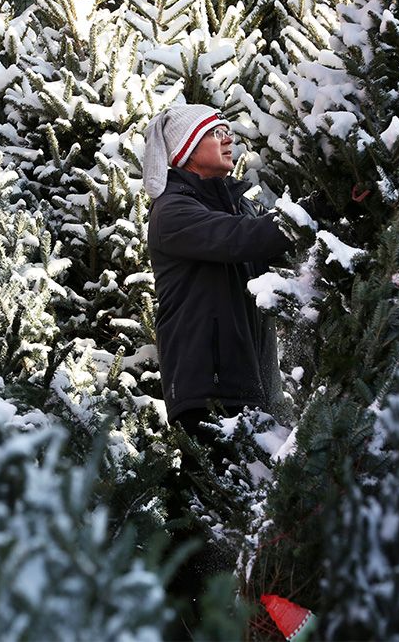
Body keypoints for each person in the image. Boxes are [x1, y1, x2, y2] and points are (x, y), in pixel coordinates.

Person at [143, 103, 293, 636]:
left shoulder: (233, 207)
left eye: (230, 132)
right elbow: (243, 242)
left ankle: (257, 613)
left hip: (246, 384)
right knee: (216, 512)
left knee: (255, 505)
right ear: (185, 149)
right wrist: (310, 215)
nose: (230, 140)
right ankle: (189, 618)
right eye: (216, 134)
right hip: (207, 389)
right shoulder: (174, 212)